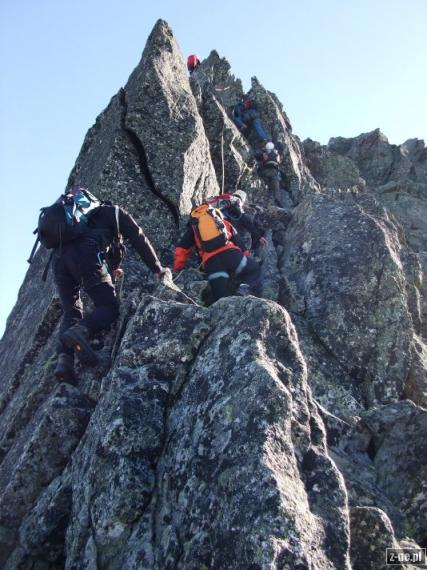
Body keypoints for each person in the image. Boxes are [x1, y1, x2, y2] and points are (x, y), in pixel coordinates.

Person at [37, 187, 169, 383]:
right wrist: (158, 269)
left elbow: (109, 251)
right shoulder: (114, 212)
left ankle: (64, 361)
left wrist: (110, 269)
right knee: (108, 307)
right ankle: (81, 331)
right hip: (85, 254)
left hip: (59, 260)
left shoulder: (76, 226)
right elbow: (138, 238)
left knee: (71, 312)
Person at [173, 204, 262, 302]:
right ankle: (243, 289)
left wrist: (177, 268)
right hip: (232, 256)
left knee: (221, 298)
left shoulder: (193, 229)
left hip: (212, 264)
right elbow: (238, 240)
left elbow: (181, 249)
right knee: (254, 269)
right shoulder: (221, 222)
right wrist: (245, 256)